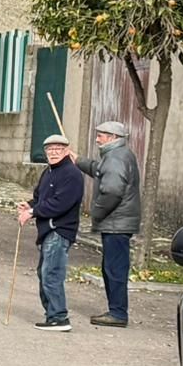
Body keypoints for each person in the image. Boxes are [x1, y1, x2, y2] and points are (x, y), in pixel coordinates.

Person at [73, 120, 142, 328]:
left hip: (116, 223)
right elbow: (97, 169)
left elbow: (112, 190)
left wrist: (97, 212)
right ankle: (116, 311)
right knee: (111, 267)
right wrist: (77, 160)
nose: (97, 138)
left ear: (113, 138)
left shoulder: (115, 158)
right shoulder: (117, 156)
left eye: (101, 135)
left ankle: (118, 314)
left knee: (115, 268)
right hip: (119, 223)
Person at [18, 134, 85, 332]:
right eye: (50, 149)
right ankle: (52, 315)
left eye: (58, 149)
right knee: (44, 272)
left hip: (60, 230)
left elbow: (60, 204)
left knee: (51, 273)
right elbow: (40, 197)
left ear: (66, 151)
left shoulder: (71, 174)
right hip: (47, 230)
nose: (53, 152)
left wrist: (32, 212)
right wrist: (29, 205)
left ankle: (59, 317)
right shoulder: (49, 171)